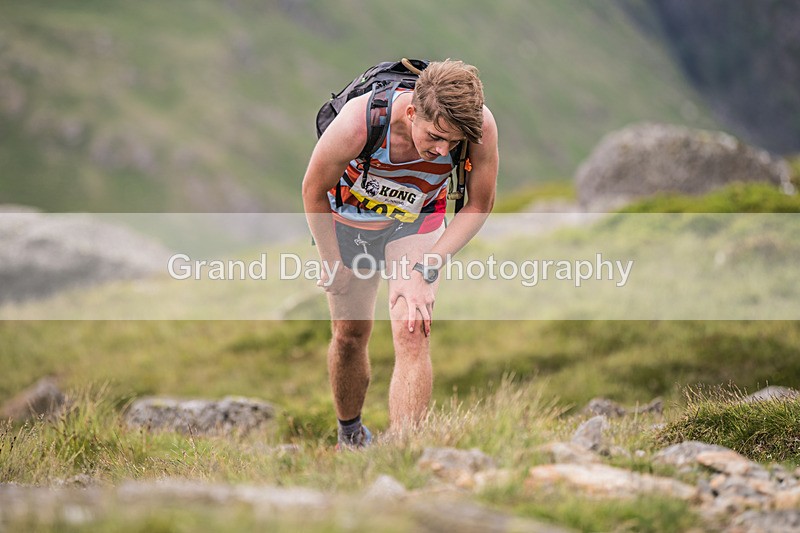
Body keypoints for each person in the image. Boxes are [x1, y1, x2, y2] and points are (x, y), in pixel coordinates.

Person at [302, 59, 499, 448]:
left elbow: (479, 204)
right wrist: (331, 262)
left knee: (413, 332)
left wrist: (430, 264)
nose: (442, 150)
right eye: (435, 136)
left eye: (454, 143)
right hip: (349, 223)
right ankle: (351, 436)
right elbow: (312, 189)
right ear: (412, 111)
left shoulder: (479, 125)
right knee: (349, 335)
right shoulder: (361, 122)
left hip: (416, 221)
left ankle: (404, 451)